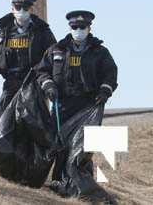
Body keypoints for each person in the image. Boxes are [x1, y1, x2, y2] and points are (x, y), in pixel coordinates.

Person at [35, 10, 118, 192]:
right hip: (62, 106)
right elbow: (42, 71)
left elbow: (110, 74)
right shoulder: (56, 50)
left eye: (82, 27)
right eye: (75, 27)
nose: (78, 30)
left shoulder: (100, 52)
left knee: (83, 149)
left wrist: (105, 90)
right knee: (61, 146)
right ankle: (59, 183)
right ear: (70, 28)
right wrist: (48, 86)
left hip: (88, 107)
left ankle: (81, 186)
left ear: (89, 28)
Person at [0, 0, 56, 122]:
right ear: (12, 8)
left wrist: (49, 82)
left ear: (31, 9)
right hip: (11, 85)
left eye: (25, 8)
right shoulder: (3, 33)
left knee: (37, 127)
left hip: (33, 86)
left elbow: (53, 58)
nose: (21, 11)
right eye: (18, 7)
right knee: (2, 124)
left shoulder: (42, 32)